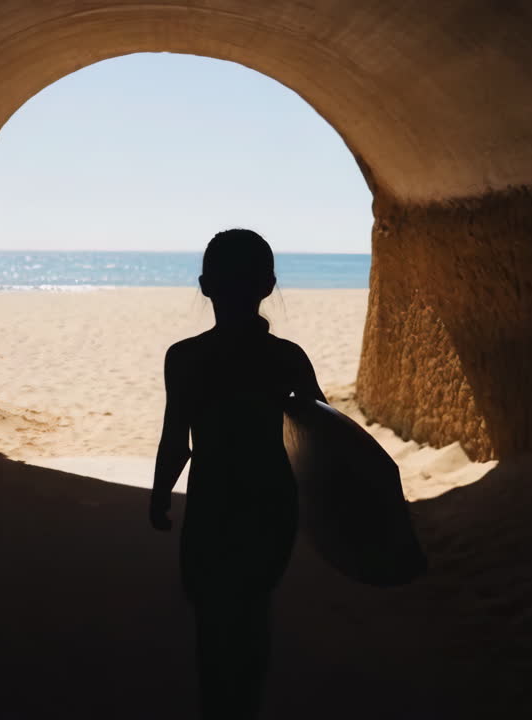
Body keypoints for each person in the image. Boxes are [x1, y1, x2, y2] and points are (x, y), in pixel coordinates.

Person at [149, 229, 325, 719]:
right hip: (271, 500)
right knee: (253, 610)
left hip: (212, 500)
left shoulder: (184, 357)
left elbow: (175, 438)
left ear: (206, 286)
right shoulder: (287, 358)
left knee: (210, 616)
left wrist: (160, 493)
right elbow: (319, 435)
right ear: (268, 285)